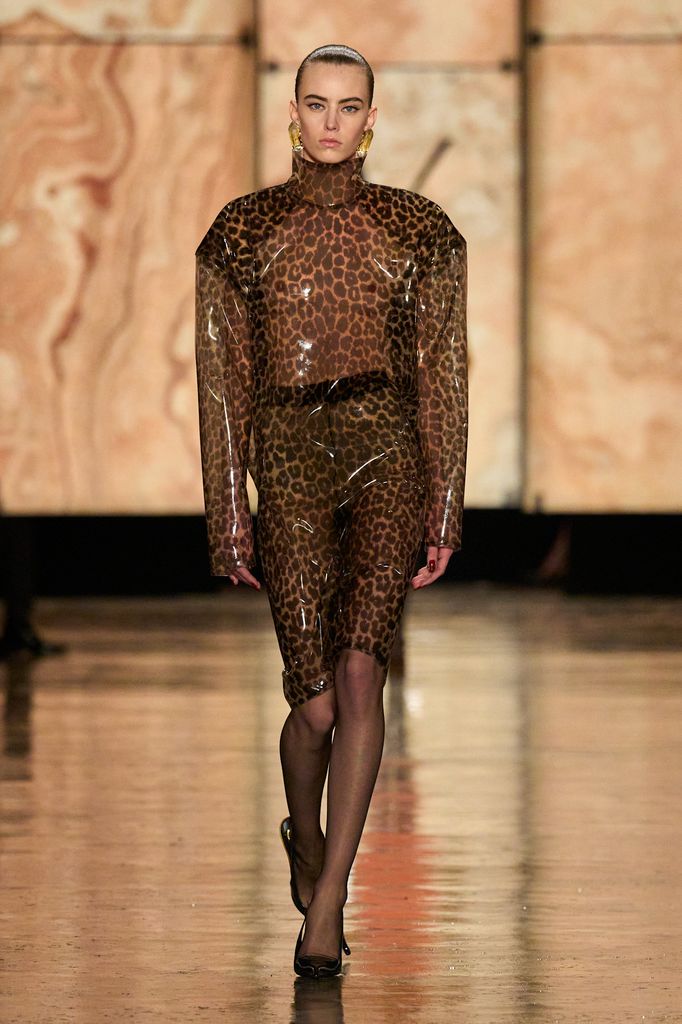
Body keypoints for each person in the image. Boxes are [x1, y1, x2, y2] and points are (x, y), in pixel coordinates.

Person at [194, 43, 468, 977]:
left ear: (372, 119)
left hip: (389, 444)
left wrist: (446, 503)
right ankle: (305, 841)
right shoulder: (240, 233)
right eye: (317, 104)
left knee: (361, 676)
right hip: (289, 452)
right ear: (293, 114)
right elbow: (223, 386)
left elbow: (443, 378)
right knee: (311, 708)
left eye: (349, 107)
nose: (331, 123)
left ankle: (328, 903)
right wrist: (227, 515)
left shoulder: (420, 230)